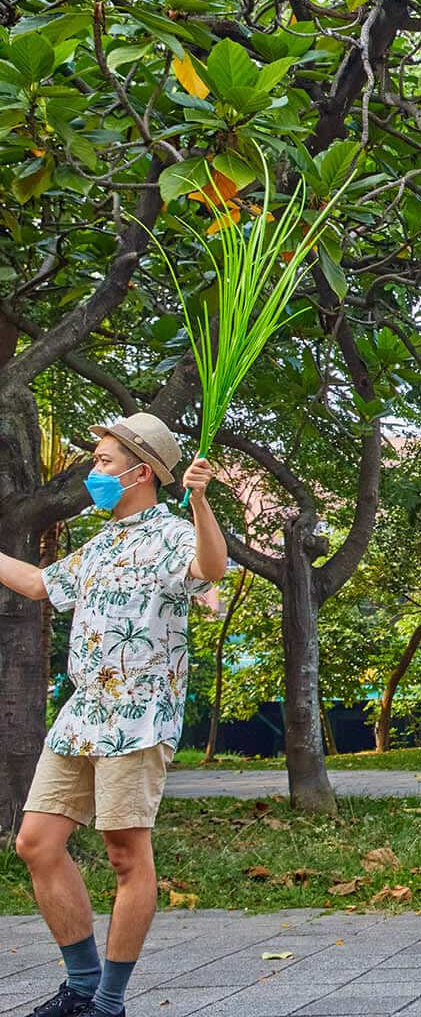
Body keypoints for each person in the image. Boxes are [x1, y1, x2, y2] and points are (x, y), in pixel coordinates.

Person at [1, 415, 226, 1017]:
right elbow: (41, 584)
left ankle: (108, 1002)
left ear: (141, 471)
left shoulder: (173, 534)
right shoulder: (102, 543)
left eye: (103, 461)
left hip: (139, 716)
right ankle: (80, 985)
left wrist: (201, 502)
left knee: (127, 855)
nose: (93, 473)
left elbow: (213, 568)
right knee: (37, 843)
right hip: (83, 714)